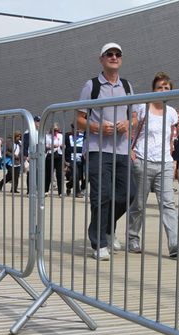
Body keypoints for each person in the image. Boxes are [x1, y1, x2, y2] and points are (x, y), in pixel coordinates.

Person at [77, 42, 136, 261]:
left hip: (121, 150)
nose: (113, 57)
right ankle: (99, 242)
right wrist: (98, 128)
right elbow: (80, 118)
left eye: (117, 54)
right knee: (101, 194)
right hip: (97, 149)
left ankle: (107, 228)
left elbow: (135, 115)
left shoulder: (127, 86)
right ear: (101, 59)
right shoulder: (91, 86)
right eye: (109, 54)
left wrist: (128, 124)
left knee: (128, 193)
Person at [127, 71, 179, 258]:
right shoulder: (142, 107)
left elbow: (172, 137)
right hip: (142, 160)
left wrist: (172, 157)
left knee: (168, 204)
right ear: (153, 89)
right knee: (138, 203)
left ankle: (174, 244)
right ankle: (132, 238)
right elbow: (131, 130)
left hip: (165, 163)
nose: (163, 91)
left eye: (166, 88)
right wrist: (132, 153)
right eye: (159, 87)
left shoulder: (171, 113)